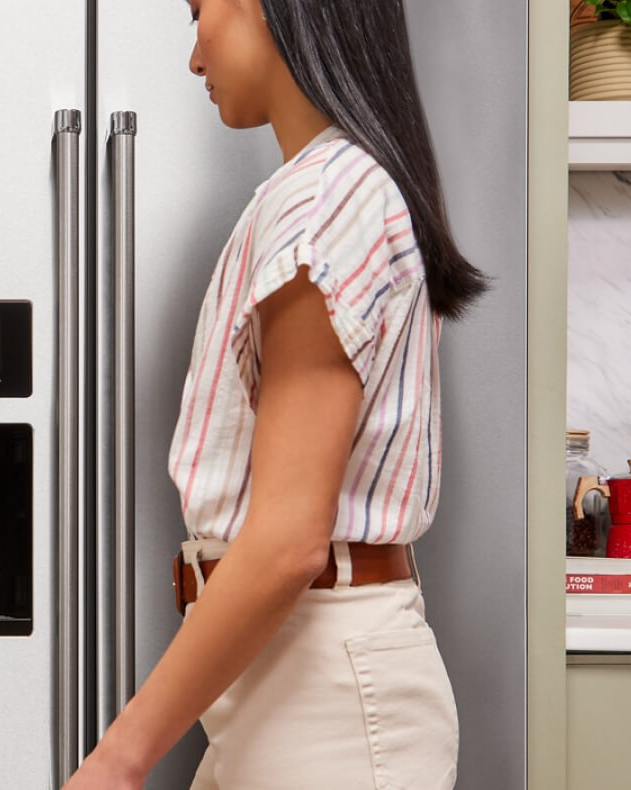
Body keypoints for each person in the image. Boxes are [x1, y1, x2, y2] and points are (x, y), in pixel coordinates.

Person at [62, 1, 487, 787]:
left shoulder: (323, 202)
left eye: (199, 14)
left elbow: (290, 538)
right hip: (288, 678)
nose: (193, 57)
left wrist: (117, 763)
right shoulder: (326, 190)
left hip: (323, 694)